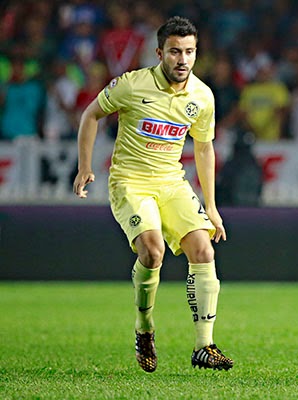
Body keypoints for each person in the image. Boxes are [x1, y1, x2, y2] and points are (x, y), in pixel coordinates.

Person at [72, 16, 234, 373]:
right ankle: (144, 328)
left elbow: (204, 149)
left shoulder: (202, 96)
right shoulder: (132, 84)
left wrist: (211, 206)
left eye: (189, 52)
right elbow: (91, 115)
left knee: (203, 247)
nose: (182, 59)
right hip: (130, 181)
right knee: (152, 249)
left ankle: (204, 346)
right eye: (175, 51)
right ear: (160, 52)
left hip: (172, 182)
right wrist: (85, 166)